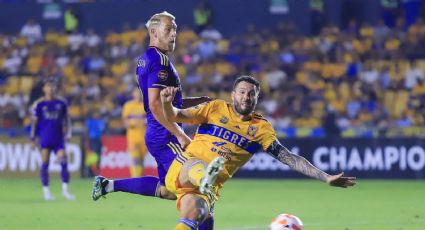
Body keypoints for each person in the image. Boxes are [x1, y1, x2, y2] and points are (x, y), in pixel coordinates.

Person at [159, 75, 357, 230]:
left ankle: (204, 183)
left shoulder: (261, 128)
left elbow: (288, 157)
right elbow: (175, 115)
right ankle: (204, 178)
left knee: (194, 215)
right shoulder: (215, 108)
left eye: (251, 93)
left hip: (210, 190)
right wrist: (167, 103)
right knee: (199, 167)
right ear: (233, 94)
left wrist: (326, 177)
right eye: (242, 92)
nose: (246, 97)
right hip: (186, 166)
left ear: (257, 98)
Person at [92, 12, 213, 228]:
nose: (174, 34)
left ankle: (108, 185)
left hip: (157, 132)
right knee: (200, 191)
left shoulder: (146, 59)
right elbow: (156, 104)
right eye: (169, 29)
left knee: (167, 191)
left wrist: (197, 102)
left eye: (175, 29)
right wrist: (180, 134)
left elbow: (167, 102)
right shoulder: (160, 62)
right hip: (166, 135)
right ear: (154, 32)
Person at [30, 78, 75, 201]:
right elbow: (34, 123)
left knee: (63, 160)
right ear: (44, 89)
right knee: (45, 163)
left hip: (58, 139)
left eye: (53, 86)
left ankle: (65, 190)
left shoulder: (61, 103)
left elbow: (67, 120)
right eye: (48, 86)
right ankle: (46, 191)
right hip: (44, 139)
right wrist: (32, 139)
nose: (51, 88)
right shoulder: (39, 104)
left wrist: (69, 133)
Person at [122, 88, 148, 177]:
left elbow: (150, 120)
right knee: (135, 158)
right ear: (133, 94)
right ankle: (135, 177)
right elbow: (125, 122)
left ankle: (139, 177)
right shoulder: (128, 106)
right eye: (137, 92)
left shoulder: (146, 105)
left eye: (141, 93)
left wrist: (144, 122)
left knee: (141, 160)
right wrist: (133, 123)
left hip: (144, 137)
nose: (139, 94)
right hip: (132, 137)